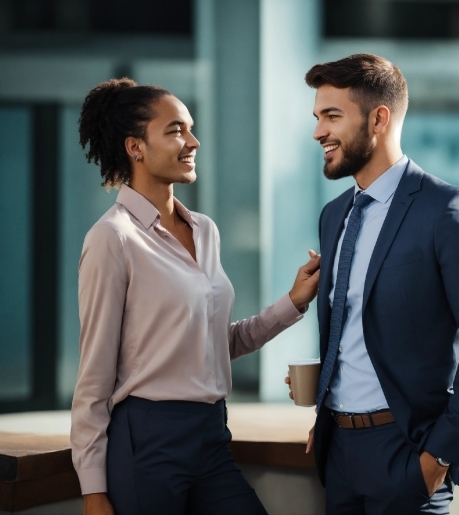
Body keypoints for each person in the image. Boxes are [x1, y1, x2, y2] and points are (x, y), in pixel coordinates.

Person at [71, 77, 320, 515]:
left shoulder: (205, 231)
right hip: (147, 439)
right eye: (176, 131)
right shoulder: (112, 239)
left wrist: (293, 302)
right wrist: (93, 489)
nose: (193, 141)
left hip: (211, 434)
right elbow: (94, 375)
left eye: (190, 128)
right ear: (136, 148)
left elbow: (214, 345)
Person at [286, 54, 459, 515]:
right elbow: (354, 325)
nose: (318, 132)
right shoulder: (334, 216)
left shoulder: (449, 211)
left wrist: (440, 457)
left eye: (332, 116)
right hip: (339, 456)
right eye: (317, 117)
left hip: (408, 453)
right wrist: (327, 396)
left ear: (379, 118)